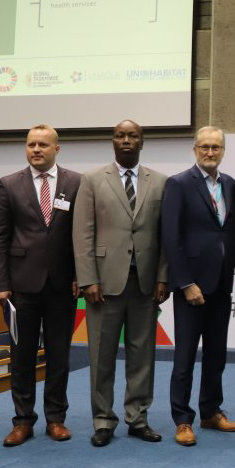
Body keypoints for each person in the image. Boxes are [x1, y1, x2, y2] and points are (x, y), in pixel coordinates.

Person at [73, 120, 169, 447]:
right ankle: (103, 420)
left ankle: (137, 418)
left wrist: (163, 276)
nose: (126, 140)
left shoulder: (160, 182)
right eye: (120, 135)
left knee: (142, 357)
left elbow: (165, 236)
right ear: (113, 141)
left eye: (132, 136)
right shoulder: (91, 180)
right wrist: (88, 279)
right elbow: (82, 234)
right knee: (101, 357)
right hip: (103, 284)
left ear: (142, 142)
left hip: (145, 284)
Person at [0, 124, 82, 447]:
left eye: (43, 144)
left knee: (59, 356)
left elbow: (81, 235)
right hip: (20, 286)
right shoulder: (8, 184)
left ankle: (56, 419)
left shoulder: (75, 183)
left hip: (62, 285)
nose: (36, 149)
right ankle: (23, 421)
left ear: (57, 148)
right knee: (22, 357)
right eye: (31, 144)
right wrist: (0, 283)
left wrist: (80, 276)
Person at [162, 126, 235, 446]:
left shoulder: (231, 185)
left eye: (216, 147)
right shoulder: (179, 184)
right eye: (205, 146)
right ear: (195, 149)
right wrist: (185, 282)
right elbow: (171, 237)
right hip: (191, 287)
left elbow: (231, 233)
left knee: (216, 355)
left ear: (223, 151)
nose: (210, 152)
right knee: (184, 357)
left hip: (221, 283)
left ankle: (210, 411)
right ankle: (182, 420)